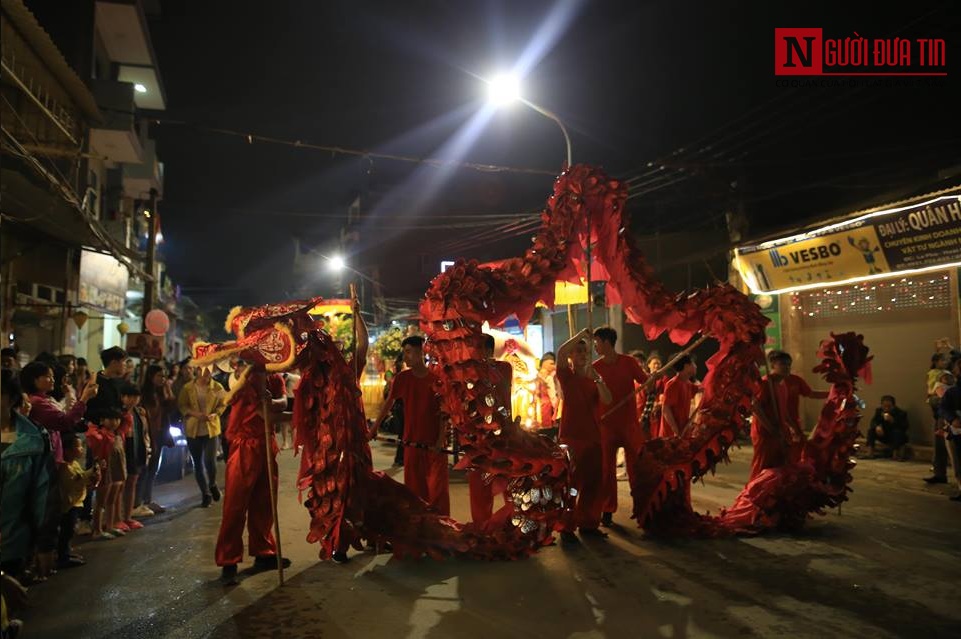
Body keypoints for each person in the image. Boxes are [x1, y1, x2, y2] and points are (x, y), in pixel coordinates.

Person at [215, 364, 288, 585]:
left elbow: (283, 401)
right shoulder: (246, 382)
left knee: (265, 502)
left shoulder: (275, 379)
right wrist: (299, 416)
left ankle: (264, 551)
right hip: (245, 446)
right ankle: (229, 560)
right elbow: (265, 414)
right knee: (236, 505)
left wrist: (274, 403)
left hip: (266, 444)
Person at [375, 336, 449, 517]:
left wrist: (441, 439)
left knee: (437, 493)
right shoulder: (402, 378)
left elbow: (444, 413)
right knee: (414, 492)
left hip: (433, 446)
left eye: (408, 352)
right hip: (411, 444)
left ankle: (441, 531)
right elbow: (388, 404)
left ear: (420, 352)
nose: (405, 357)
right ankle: (419, 531)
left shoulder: (436, 379)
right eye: (404, 352)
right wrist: (374, 428)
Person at [556, 329, 612, 542]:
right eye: (578, 351)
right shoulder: (566, 376)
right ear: (572, 356)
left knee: (594, 484)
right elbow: (561, 353)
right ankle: (567, 525)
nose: (581, 354)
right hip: (571, 438)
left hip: (594, 438)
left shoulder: (594, 379)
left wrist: (598, 380)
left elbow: (607, 399)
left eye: (585, 351)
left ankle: (589, 523)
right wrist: (580, 335)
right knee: (571, 486)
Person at [591, 326, 648, 527]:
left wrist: (651, 381)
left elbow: (645, 382)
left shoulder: (628, 362)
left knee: (636, 469)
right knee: (606, 471)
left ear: (607, 342)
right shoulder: (595, 368)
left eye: (597, 342)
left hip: (629, 425)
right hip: (605, 425)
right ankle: (607, 509)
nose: (595, 347)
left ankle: (642, 509)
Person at [0, 370, 50, 580]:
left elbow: (45, 494)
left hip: (12, 545)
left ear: (11, 399)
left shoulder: (33, 439)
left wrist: (44, 545)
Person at [749, 350, 829, 480]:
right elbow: (755, 407)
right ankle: (752, 495)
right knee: (763, 466)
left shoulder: (782, 385)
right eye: (782, 364)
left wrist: (793, 427)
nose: (786, 367)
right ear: (773, 365)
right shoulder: (765, 384)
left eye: (788, 364)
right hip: (764, 433)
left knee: (780, 465)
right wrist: (770, 428)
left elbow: (784, 411)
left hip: (780, 431)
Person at [468, 334, 514, 525]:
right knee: (480, 482)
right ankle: (481, 524)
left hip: (502, 432)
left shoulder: (503, 368)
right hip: (478, 434)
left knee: (508, 480)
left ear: (487, 350)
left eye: (477, 349)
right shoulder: (470, 372)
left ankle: (512, 521)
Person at [20, 361, 96, 465]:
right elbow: (64, 421)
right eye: (48, 376)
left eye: (52, 376)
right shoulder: (37, 402)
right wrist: (85, 397)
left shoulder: (44, 398)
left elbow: (66, 414)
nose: (53, 380)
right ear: (34, 380)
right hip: (45, 459)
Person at [178, 365, 227, 507]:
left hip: (211, 428)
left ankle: (212, 483)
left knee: (210, 461)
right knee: (197, 463)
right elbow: (182, 405)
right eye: (203, 370)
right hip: (193, 429)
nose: (206, 373)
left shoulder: (217, 387)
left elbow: (223, 404)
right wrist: (195, 414)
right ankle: (205, 493)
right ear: (197, 371)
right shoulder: (188, 388)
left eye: (209, 370)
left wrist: (215, 414)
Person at [138, 364, 177, 514]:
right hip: (149, 434)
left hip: (160, 433)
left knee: (153, 468)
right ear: (151, 377)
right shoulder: (145, 394)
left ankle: (147, 500)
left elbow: (172, 407)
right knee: (145, 468)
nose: (163, 379)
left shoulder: (161, 392)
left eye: (164, 376)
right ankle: (139, 502)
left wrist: (168, 390)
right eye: (160, 376)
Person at [57, 432, 99, 568]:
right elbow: (76, 481)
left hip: (76, 502)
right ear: (68, 450)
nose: (81, 449)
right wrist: (91, 472)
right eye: (78, 447)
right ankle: (63, 557)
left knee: (69, 531)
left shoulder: (73, 464)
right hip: (68, 504)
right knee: (66, 531)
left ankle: (67, 553)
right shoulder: (65, 467)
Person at [929, 353, 961, 494]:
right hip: (954, 426)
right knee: (955, 457)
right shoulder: (952, 390)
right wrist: (952, 418)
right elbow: (943, 406)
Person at [120, 384, 151, 528]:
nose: (132, 400)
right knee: (120, 485)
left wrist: (147, 449)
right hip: (124, 449)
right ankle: (118, 518)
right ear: (122, 398)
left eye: (135, 397)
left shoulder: (139, 413)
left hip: (138, 448)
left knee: (132, 482)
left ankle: (128, 516)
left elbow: (145, 433)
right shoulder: (119, 413)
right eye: (129, 397)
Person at [659, 355, 701, 438]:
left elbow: (702, 388)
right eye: (693, 363)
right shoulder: (673, 384)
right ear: (686, 366)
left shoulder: (688, 383)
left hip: (683, 431)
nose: (695, 366)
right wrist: (675, 429)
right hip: (671, 435)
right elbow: (666, 409)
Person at [865, 395, 909, 459]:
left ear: (893, 406)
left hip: (895, 435)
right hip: (883, 434)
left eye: (889, 406)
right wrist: (877, 427)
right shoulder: (879, 411)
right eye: (884, 406)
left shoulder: (900, 413)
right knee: (871, 431)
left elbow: (904, 427)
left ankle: (895, 454)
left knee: (897, 433)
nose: (886, 408)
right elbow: (873, 421)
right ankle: (870, 452)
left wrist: (893, 421)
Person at [535, 352, 561, 440]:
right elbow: (553, 397)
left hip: (540, 411)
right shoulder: (549, 378)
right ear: (544, 363)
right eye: (551, 363)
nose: (554, 366)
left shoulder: (539, 376)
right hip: (545, 411)